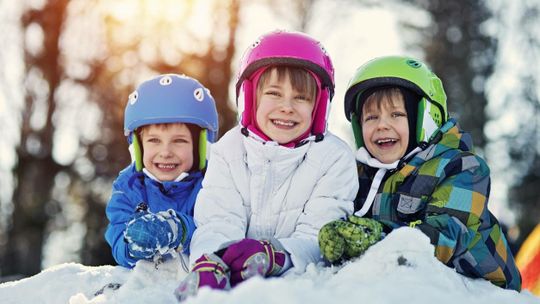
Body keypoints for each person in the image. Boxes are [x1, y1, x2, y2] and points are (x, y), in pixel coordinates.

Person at [174, 30, 357, 301]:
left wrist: (278, 254)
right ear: (249, 98)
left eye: (301, 98)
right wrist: (211, 259)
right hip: (234, 275)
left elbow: (318, 233)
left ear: (319, 108)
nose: (287, 107)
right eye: (274, 93)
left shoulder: (334, 158)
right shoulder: (229, 149)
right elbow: (218, 219)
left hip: (298, 288)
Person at [318, 56, 522, 291]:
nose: (382, 125)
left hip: (479, 290)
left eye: (396, 114)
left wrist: (378, 235)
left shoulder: (462, 166)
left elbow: (447, 235)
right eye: (371, 117)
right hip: (402, 284)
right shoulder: (358, 174)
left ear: (425, 119)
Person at [105, 74, 218, 268]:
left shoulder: (213, 185)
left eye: (179, 141)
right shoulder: (128, 188)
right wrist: (132, 244)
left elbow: (215, 230)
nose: (165, 152)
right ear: (138, 148)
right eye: (154, 141)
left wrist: (178, 228)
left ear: (200, 147)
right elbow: (117, 237)